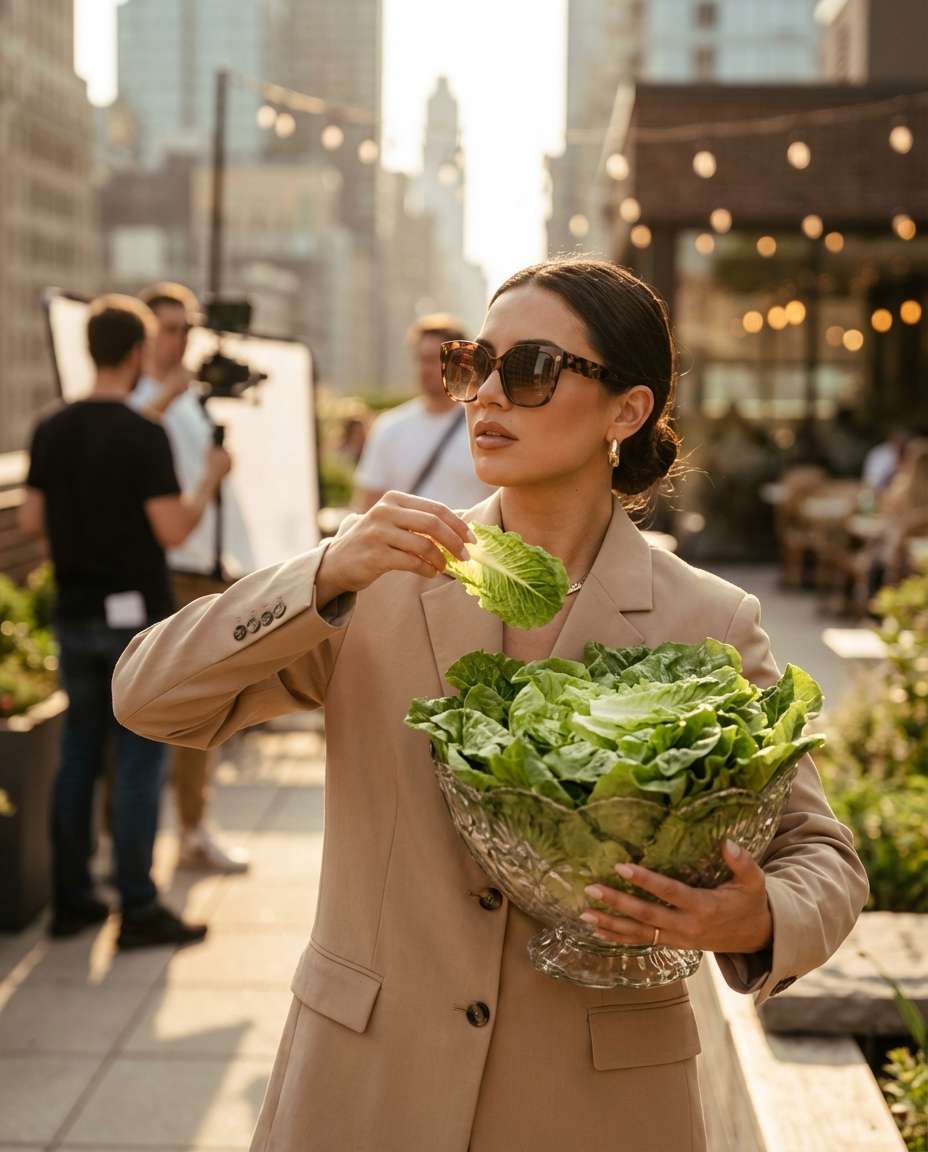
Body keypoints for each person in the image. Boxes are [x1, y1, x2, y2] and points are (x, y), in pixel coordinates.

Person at [112, 260, 867, 1151]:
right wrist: (320, 571)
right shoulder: (374, 581)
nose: (486, 396)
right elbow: (148, 700)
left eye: (533, 369)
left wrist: (758, 918)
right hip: (366, 1084)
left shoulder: (706, 616)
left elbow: (824, 856)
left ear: (626, 412)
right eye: (476, 364)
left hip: (600, 1106)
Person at [19, 295, 230, 947]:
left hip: (75, 613)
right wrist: (209, 482)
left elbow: (31, 523)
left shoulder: (51, 427)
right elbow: (173, 529)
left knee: (78, 756)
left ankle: (73, 900)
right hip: (138, 622)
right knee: (140, 761)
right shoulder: (144, 434)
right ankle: (138, 906)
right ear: (137, 353)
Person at [129, 282, 251, 874]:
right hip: (163, 571)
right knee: (167, 712)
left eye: (185, 329)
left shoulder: (188, 400)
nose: (180, 340)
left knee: (205, 711)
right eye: (168, 329)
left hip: (208, 567)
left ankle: (191, 830)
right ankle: (153, 839)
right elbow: (119, 443)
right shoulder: (137, 398)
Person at [352, 313, 496, 510]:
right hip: (405, 541)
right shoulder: (389, 427)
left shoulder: (485, 425)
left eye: (433, 360)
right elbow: (368, 507)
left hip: (475, 540)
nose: (424, 369)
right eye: (420, 359)